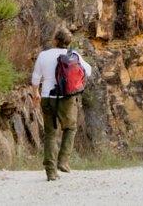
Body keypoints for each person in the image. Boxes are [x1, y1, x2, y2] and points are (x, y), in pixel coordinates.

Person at [31, 25, 93, 181]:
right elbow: (88, 71)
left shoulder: (43, 55)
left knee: (50, 134)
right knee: (70, 128)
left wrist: (35, 93)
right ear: (68, 42)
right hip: (67, 98)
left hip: (47, 98)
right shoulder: (74, 55)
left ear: (55, 40)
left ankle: (51, 172)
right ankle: (63, 160)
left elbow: (35, 78)